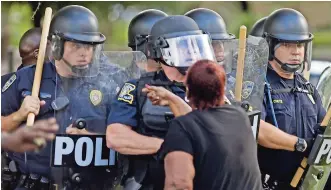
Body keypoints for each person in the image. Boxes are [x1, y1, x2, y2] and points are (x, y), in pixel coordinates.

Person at [1, 5, 123, 189]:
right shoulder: (25, 80)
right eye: (77, 45)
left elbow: (127, 133)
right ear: (57, 45)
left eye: (90, 46)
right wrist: (20, 115)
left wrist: (96, 136)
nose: (85, 53)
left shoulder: (109, 83)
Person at [106, 15, 215, 189]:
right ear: (160, 52)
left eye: (194, 45)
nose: (191, 53)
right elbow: (116, 137)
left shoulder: (212, 88)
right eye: (183, 47)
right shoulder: (138, 88)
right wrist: (168, 147)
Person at [143, 59, 262, 190]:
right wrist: (172, 99)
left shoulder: (182, 127)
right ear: (223, 90)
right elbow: (200, 127)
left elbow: (178, 184)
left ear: (188, 91)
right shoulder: (240, 116)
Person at [256, 8, 326, 189]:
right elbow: (258, 131)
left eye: (300, 45)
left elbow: (325, 131)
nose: (296, 52)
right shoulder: (259, 86)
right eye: (288, 45)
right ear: (270, 46)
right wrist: (300, 144)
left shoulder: (308, 89)